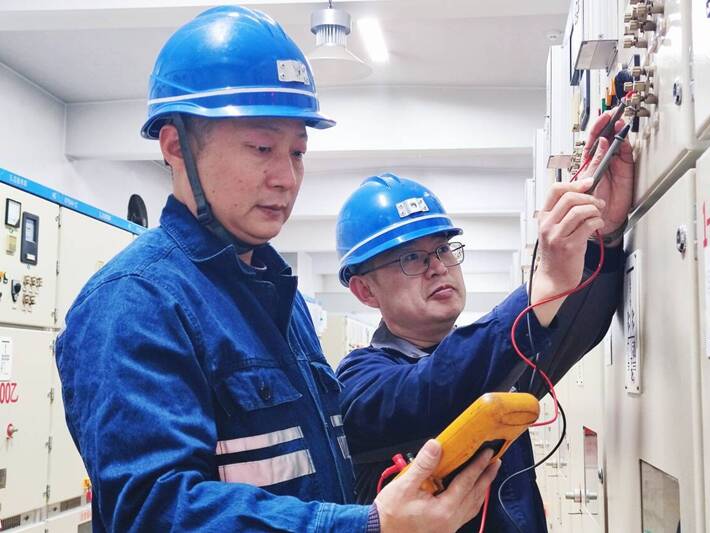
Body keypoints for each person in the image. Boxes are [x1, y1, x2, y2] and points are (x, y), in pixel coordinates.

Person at [56, 6, 499, 532]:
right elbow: (154, 512)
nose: (286, 177)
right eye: (262, 148)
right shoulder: (135, 302)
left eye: (297, 153)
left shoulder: (280, 302)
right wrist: (368, 526)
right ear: (176, 146)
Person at [334, 112, 634, 532]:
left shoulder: (494, 360)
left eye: (443, 249)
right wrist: (543, 284)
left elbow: (574, 329)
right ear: (365, 291)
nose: (438, 267)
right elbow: (436, 387)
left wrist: (603, 234)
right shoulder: (359, 384)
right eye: (412, 258)